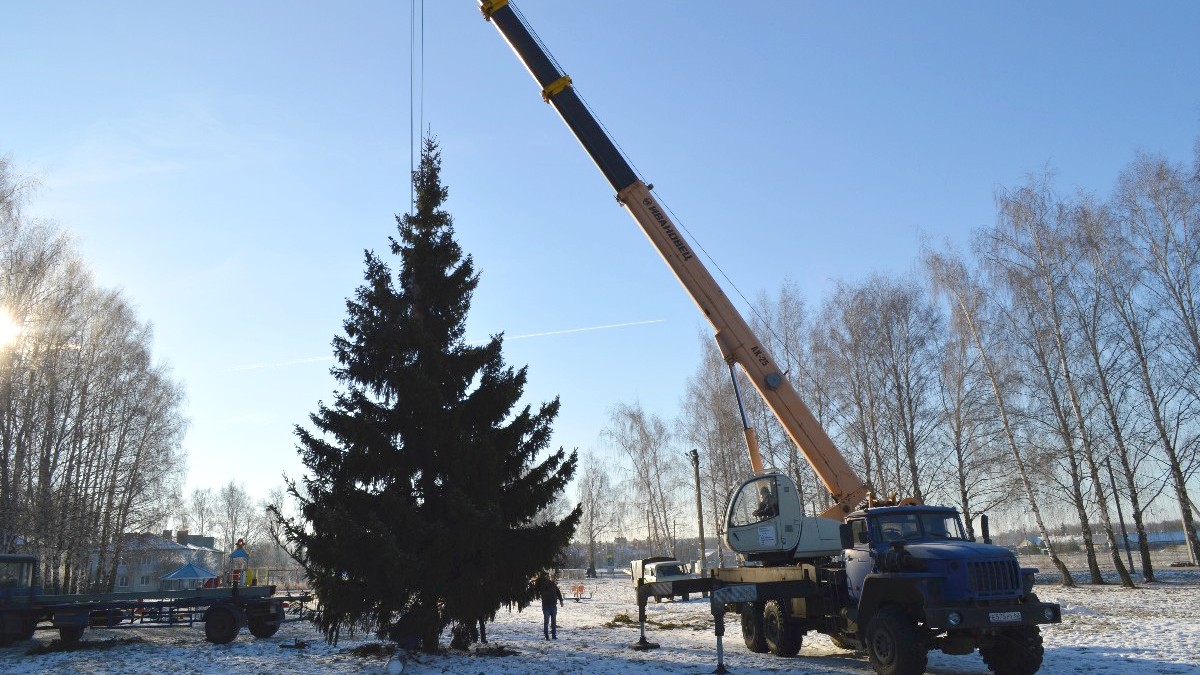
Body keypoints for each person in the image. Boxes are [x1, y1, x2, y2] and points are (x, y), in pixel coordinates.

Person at [534, 571, 564, 639]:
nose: (548, 577)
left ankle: (554, 635)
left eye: (548, 576)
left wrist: (561, 600)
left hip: (553, 605)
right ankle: (546, 636)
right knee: (546, 621)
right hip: (546, 605)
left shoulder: (552, 584)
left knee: (553, 622)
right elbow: (537, 589)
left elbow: (558, 592)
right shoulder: (541, 585)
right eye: (546, 576)